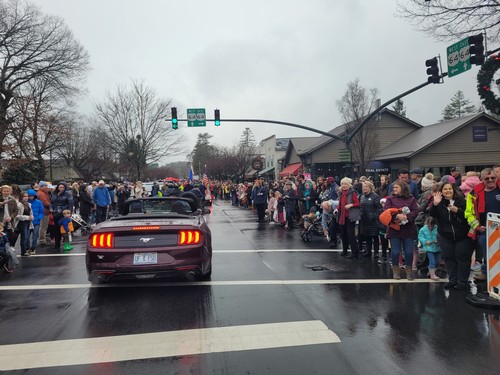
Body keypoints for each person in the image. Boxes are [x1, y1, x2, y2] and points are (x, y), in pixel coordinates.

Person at [429, 182, 471, 290]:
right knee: (449, 258)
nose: (448, 191)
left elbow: (468, 216)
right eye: (445, 189)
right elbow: (432, 214)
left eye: (450, 189)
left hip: (462, 236)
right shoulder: (439, 202)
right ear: (441, 191)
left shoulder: (461, 201)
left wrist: (457, 210)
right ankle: (452, 280)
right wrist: (435, 204)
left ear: (454, 190)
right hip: (445, 236)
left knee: (462, 258)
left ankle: (462, 282)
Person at [465, 167, 500, 282]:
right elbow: (468, 213)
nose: (490, 180)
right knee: (488, 253)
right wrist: (477, 227)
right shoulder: (474, 193)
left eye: (493, 177)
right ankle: (486, 273)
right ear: (482, 179)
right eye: (487, 178)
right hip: (485, 230)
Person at [383, 180, 419, 280]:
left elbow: (416, 210)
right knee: (395, 252)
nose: (394, 189)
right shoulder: (390, 199)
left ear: (403, 188)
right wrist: (396, 216)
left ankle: (409, 271)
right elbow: (386, 211)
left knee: (408, 252)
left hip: (408, 229)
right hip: (394, 229)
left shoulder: (411, 198)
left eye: (396, 187)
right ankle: (396, 271)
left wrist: (407, 217)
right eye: (394, 187)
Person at [337, 177, 360, 259]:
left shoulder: (352, 193)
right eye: (342, 184)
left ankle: (355, 252)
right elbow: (340, 203)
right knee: (343, 233)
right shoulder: (341, 193)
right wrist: (337, 208)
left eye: (346, 184)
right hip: (342, 215)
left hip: (351, 216)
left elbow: (358, 203)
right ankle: (345, 250)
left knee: (350, 234)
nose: (344, 185)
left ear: (349, 185)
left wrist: (351, 205)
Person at [359, 181, 382, 258]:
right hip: (364, 219)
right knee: (367, 236)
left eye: (366, 186)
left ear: (370, 188)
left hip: (373, 220)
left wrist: (374, 216)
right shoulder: (361, 196)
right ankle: (368, 251)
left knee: (375, 236)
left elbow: (379, 208)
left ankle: (376, 252)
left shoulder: (375, 196)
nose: (364, 188)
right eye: (363, 187)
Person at [50, 182, 74, 249]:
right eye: (60, 187)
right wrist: (51, 209)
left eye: (63, 187)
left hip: (64, 213)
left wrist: (69, 213)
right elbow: (51, 203)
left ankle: (66, 244)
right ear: (58, 187)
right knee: (56, 229)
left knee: (65, 230)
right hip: (55, 213)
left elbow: (70, 204)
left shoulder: (68, 194)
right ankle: (57, 244)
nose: (61, 188)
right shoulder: (54, 193)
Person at [418, 216, 441, 280]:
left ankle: (431, 272)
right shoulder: (423, 229)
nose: (431, 227)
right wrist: (425, 241)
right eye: (429, 226)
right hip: (429, 248)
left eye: (432, 226)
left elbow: (441, 236)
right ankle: (432, 275)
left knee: (438, 262)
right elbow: (420, 237)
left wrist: (438, 240)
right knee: (432, 261)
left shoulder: (438, 228)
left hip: (438, 247)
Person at [15, 192, 34, 256]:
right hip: (22, 222)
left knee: (27, 237)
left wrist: (31, 216)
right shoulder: (19, 205)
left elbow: (31, 213)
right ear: (21, 197)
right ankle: (23, 251)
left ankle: (25, 250)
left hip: (28, 222)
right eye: (24, 196)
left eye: (27, 196)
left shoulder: (29, 204)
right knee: (24, 237)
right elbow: (17, 216)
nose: (26, 198)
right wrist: (27, 217)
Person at [26, 189, 44, 255]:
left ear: (34, 196)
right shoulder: (25, 202)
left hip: (36, 222)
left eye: (32, 196)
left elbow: (41, 212)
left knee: (35, 236)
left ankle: (33, 248)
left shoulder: (39, 202)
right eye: (29, 196)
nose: (31, 197)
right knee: (27, 236)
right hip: (28, 221)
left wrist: (39, 218)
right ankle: (27, 248)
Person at [37, 181, 51, 246]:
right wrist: (51, 205)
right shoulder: (42, 194)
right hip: (44, 211)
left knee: (42, 226)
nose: (46, 187)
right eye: (45, 186)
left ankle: (42, 238)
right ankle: (42, 240)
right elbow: (45, 203)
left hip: (44, 211)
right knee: (43, 226)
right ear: (41, 187)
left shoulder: (41, 193)